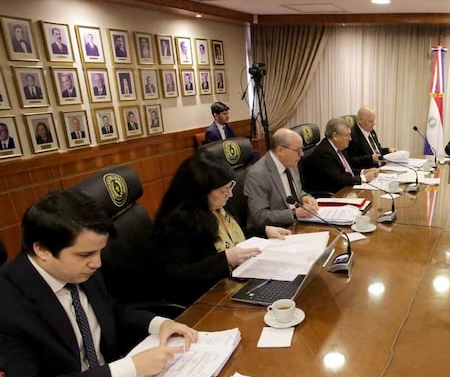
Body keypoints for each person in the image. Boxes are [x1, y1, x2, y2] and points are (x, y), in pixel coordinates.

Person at [0, 189, 198, 377]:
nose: (97, 262)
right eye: (86, 254)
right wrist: (130, 368)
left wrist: (158, 323)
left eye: (99, 251)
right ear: (42, 250)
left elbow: (109, 312)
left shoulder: (79, 268)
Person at [153, 151, 290, 304]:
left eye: (230, 187)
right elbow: (175, 275)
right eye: (223, 190)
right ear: (200, 192)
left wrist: (264, 231)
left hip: (239, 281)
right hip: (207, 299)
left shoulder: (219, 205)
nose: (230, 194)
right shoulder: (176, 222)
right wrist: (225, 260)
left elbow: (234, 236)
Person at [244, 128, 321, 234]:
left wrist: (304, 197)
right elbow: (259, 216)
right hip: (277, 232)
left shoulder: (291, 163)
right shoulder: (258, 174)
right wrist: (294, 214)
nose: (302, 154)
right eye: (297, 150)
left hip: (299, 224)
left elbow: (294, 191)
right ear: (280, 150)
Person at [300, 117, 379, 195]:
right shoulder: (324, 153)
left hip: (346, 190)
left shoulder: (339, 147)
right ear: (335, 136)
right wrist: (364, 178)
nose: (350, 139)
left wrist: (364, 171)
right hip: (334, 195)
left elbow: (347, 170)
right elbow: (339, 179)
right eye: (347, 135)